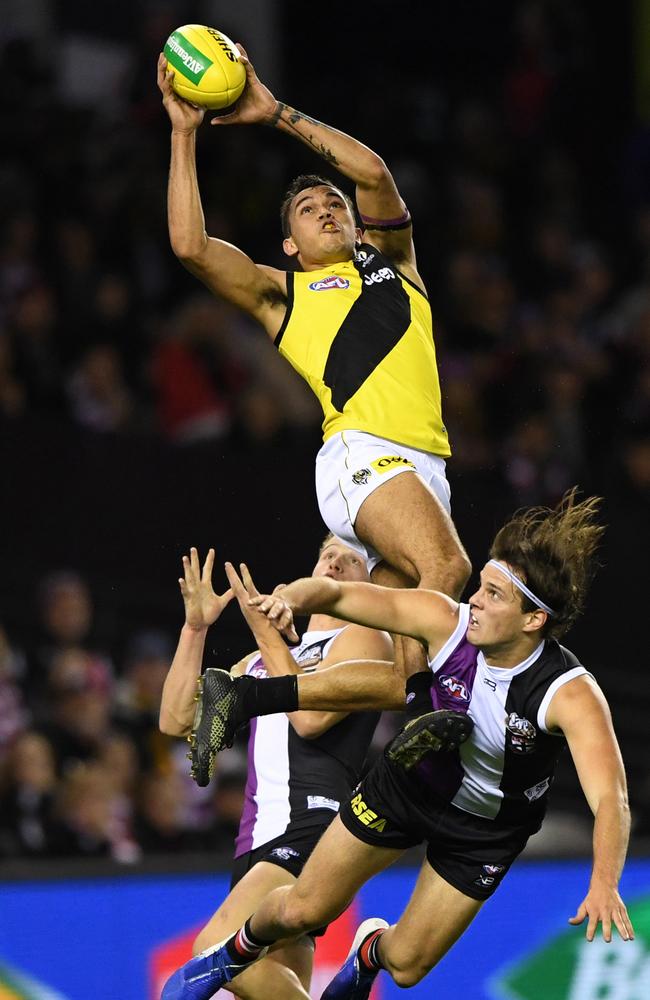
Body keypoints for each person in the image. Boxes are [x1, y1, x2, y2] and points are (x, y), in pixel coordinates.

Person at [165, 490, 634, 999]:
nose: (474, 599)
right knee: (301, 909)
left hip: (485, 830)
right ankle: (230, 956)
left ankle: (369, 952)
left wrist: (604, 882)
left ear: (533, 620)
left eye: (494, 595)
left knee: (407, 967)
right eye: (480, 586)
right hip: (409, 785)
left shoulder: (569, 692)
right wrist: (289, 599)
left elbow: (611, 798)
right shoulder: (445, 621)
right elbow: (339, 597)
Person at [156, 46, 471, 691]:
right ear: (290, 246)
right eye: (308, 209)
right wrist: (184, 135)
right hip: (364, 452)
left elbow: (374, 172)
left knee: (401, 632)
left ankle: (263, 697)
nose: (329, 208)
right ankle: (422, 719)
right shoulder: (283, 296)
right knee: (448, 570)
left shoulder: (395, 264)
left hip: (425, 467)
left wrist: (276, 114)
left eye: (335, 203)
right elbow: (190, 247)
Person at [159, 538, 398, 1000]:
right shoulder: (258, 661)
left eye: (354, 559)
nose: (336, 560)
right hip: (254, 840)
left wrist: (264, 631)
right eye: (328, 551)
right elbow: (176, 719)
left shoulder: (366, 639)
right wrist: (195, 628)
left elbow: (309, 720)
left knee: (214, 949)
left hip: (311, 827)